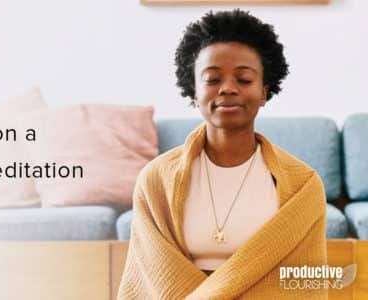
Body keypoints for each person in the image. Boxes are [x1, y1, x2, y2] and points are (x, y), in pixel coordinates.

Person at [117, 9, 327, 299]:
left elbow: (302, 284)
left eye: (243, 79)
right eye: (213, 79)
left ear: (264, 92)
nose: (228, 89)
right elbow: (153, 278)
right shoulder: (155, 181)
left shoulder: (304, 187)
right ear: (193, 91)